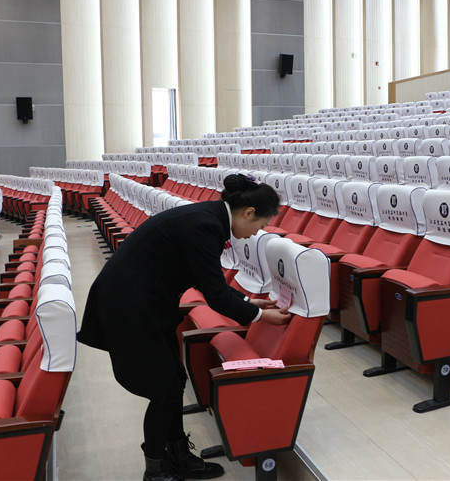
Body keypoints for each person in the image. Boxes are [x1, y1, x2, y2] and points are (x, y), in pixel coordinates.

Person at [78, 174, 291, 481]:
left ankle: (179, 458)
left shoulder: (209, 218)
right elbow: (215, 295)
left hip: (145, 301)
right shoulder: (205, 226)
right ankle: (155, 470)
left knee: (174, 379)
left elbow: (208, 281)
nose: (258, 232)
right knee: (163, 388)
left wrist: (248, 301)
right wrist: (258, 316)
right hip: (130, 306)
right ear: (248, 213)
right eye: (261, 225)